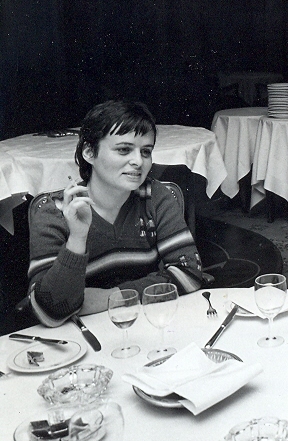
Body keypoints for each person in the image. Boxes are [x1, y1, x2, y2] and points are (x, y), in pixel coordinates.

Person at [28, 101, 204, 326]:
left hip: (143, 325)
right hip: (78, 335)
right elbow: (48, 312)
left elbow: (189, 272)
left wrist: (114, 297)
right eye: (123, 149)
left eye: (146, 151)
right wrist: (77, 238)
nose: (138, 161)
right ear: (89, 152)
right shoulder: (54, 211)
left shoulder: (156, 197)